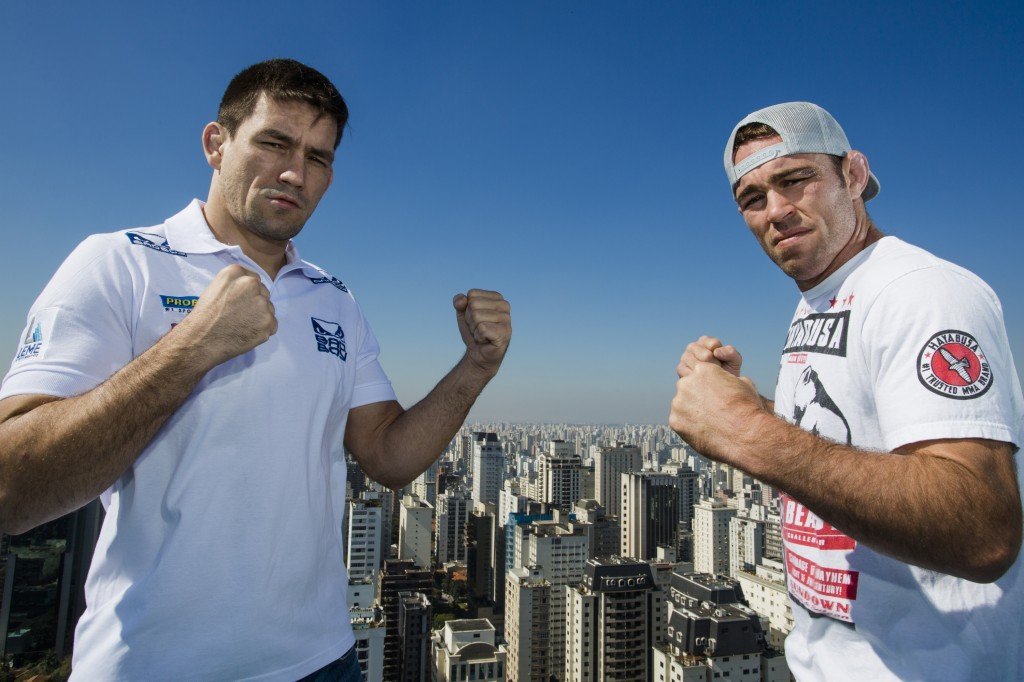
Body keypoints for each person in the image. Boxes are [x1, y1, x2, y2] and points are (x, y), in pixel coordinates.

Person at [0, 59, 511, 681]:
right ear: (217, 144)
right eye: (274, 143)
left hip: (324, 660)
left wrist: (476, 367)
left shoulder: (334, 299)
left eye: (319, 158)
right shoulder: (120, 264)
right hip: (153, 667)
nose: (296, 172)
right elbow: (11, 489)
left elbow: (387, 457)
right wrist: (191, 348)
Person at [669, 102, 1023, 680]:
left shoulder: (920, 293)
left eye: (795, 180)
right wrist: (748, 406)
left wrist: (746, 432)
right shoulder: (822, 297)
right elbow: (843, 441)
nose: (776, 211)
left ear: (854, 176)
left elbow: (981, 530)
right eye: (752, 198)